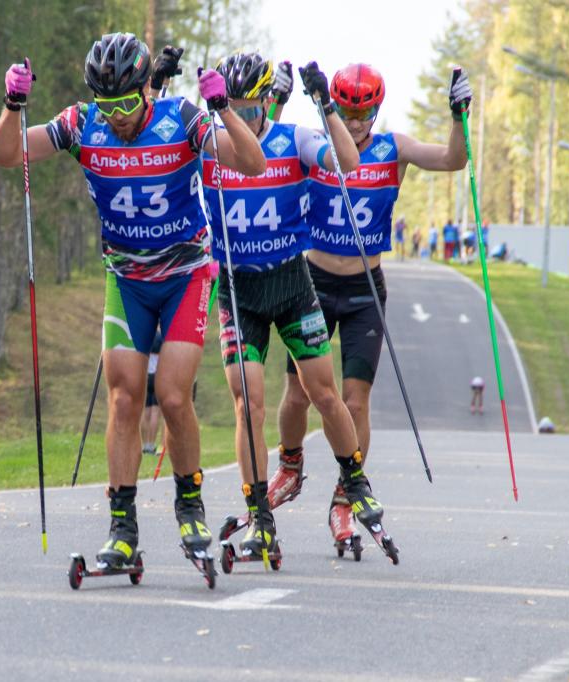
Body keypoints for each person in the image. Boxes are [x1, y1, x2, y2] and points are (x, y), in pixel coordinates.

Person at [0, 33, 266, 570]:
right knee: (123, 399)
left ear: (147, 89)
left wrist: (224, 111)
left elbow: (251, 164)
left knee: (172, 395)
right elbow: (6, 154)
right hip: (126, 278)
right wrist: (13, 106)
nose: (114, 116)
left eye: (123, 102)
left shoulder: (182, 119)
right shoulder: (80, 124)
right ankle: (122, 528)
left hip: (186, 275)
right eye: (104, 104)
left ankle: (190, 506)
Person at [275, 63, 471, 546]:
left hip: (365, 288)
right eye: (348, 111)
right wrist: (276, 99)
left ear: (376, 110)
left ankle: (345, 498)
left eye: (365, 112)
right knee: (300, 396)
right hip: (313, 283)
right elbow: (265, 150)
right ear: (334, 107)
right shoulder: (313, 146)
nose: (358, 121)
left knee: (354, 401)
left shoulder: (393, 148)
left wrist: (460, 115)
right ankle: (290, 464)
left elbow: (452, 160)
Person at [204, 52, 361, 558]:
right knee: (247, 402)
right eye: (237, 108)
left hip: (292, 283)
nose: (248, 118)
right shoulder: (207, 138)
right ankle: (259, 516)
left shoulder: (291, 138)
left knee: (324, 393)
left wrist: (328, 106)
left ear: (270, 99)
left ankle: (354, 478)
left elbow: (348, 164)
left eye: (255, 107)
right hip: (237, 288)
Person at [140, 331, 164, 455]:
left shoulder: (145, 335)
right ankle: (151, 444)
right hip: (156, 375)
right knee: (155, 412)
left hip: (144, 375)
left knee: (145, 411)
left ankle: (144, 444)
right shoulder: (160, 337)